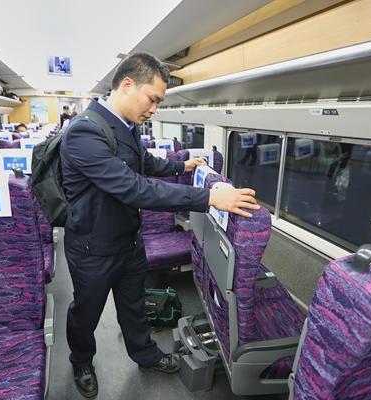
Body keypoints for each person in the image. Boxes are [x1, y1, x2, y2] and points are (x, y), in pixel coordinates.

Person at [60, 52, 259, 398]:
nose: (154, 109)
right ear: (127, 84)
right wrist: (209, 198)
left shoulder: (127, 126)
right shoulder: (84, 132)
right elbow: (134, 187)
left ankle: (145, 354)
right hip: (92, 247)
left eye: (159, 103)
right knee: (86, 312)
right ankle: (82, 362)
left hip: (128, 240)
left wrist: (181, 164)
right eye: (152, 99)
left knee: (134, 305)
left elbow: (144, 163)